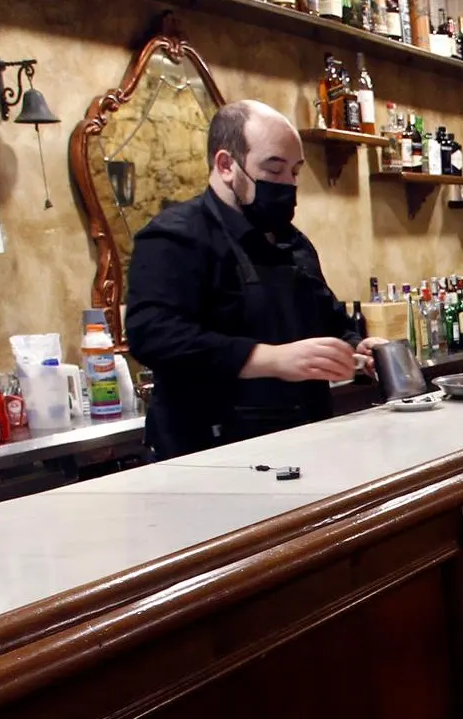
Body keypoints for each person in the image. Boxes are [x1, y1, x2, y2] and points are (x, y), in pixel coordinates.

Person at [126, 100, 383, 460]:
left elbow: (329, 319)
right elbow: (153, 335)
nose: (287, 184)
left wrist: (357, 348)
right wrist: (270, 359)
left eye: (295, 172)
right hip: (210, 457)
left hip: (306, 446)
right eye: (273, 170)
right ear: (226, 164)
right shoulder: (174, 237)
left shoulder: (293, 243)